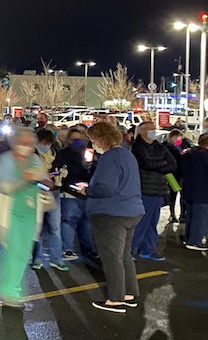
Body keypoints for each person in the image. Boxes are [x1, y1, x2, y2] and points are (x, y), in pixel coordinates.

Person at [79, 122, 144, 313]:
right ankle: (129, 293)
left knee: (111, 258)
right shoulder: (127, 154)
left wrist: (87, 190)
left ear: (101, 138)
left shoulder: (110, 157)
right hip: (132, 209)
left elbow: (106, 188)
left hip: (111, 213)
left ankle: (115, 299)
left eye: (93, 139)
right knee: (124, 255)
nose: (92, 143)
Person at [0, 127, 51, 306]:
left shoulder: (35, 160)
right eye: (23, 143)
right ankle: (8, 290)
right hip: (11, 214)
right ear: (15, 143)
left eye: (30, 144)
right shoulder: (5, 160)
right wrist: (26, 177)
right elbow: (4, 186)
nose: (27, 147)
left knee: (23, 253)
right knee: (12, 250)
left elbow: (46, 184)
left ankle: (13, 287)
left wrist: (46, 182)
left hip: (31, 213)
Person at [130, 121, 177, 261]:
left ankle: (148, 249)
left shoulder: (159, 147)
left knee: (152, 222)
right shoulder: (137, 147)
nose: (154, 131)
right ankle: (132, 250)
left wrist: (159, 165)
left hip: (158, 190)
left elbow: (173, 164)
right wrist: (162, 163)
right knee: (141, 222)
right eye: (151, 129)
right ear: (142, 131)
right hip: (145, 189)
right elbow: (146, 164)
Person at [54, 127, 96, 261]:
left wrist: (89, 166)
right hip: (70, 192)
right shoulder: (64, 153)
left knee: (86, 222)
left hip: (87, 192)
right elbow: (58, 170)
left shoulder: (89, 153)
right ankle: (68, 249)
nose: (77, 142)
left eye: (79, 139)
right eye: (73, 139)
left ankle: (87, 249)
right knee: (69, 220)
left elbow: (95, 171)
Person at [31, 129, 68, 271]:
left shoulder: (57, 154)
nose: (45, 146)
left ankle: (57, 259)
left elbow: (63, 170)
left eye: (47, 143)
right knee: (37, 228)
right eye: (42, 143)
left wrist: (59, 176)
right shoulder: (32, 156)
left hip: (54, 193)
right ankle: (37, 258)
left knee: (55, 227)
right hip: (37, 193)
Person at [181, 134, 208, 251]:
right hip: (204, 192)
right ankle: (195, 241)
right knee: (201, 218)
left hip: (189, 190)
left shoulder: (188, 155)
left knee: (191, 216)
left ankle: (188, 238)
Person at [164, 129, 189, 223]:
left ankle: (182, 214)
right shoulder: (167, 147)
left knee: (183, 196)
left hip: (183, 175)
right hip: (172, 175)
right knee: (172, 195)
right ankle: (172, 214)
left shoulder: (185, 146)